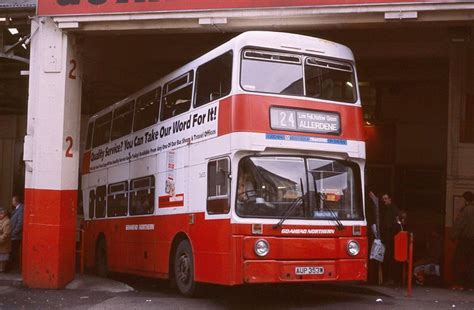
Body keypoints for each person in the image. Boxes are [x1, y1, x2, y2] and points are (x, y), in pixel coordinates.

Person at [451, 190, 474, 290]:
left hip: (465, 241)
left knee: (458, 261)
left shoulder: (466, 210)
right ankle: (471, 286)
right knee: (471, 263)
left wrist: (453, 236)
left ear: (465, 200)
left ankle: (459, 284)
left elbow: (459, 225)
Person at [380, 192, 399, 285]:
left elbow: (394, 225)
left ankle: (391, 278)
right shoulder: (384, 210)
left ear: (390, 199)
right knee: (386, 258)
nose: (384, 201)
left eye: (386, 199)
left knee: (390, 259)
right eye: (383, 199)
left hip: (391, 239)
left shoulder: (394, 211)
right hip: (386, 238)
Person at [9, 195, 23, 272]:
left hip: (16, 236)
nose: (12, 202)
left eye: (13, 201)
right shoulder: (17, 209)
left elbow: (20, 223)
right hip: (14, 235)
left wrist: (13, 233)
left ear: (16, 201)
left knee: (14, 252)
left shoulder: (21, 209)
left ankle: (14, 268)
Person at [0, 207, 12, 272]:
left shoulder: (7, 222)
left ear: (3, 214)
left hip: (4, 245)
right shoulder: (2, 221)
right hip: (2, 245)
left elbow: (6, 235)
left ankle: (2, 270)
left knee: (2, 260)